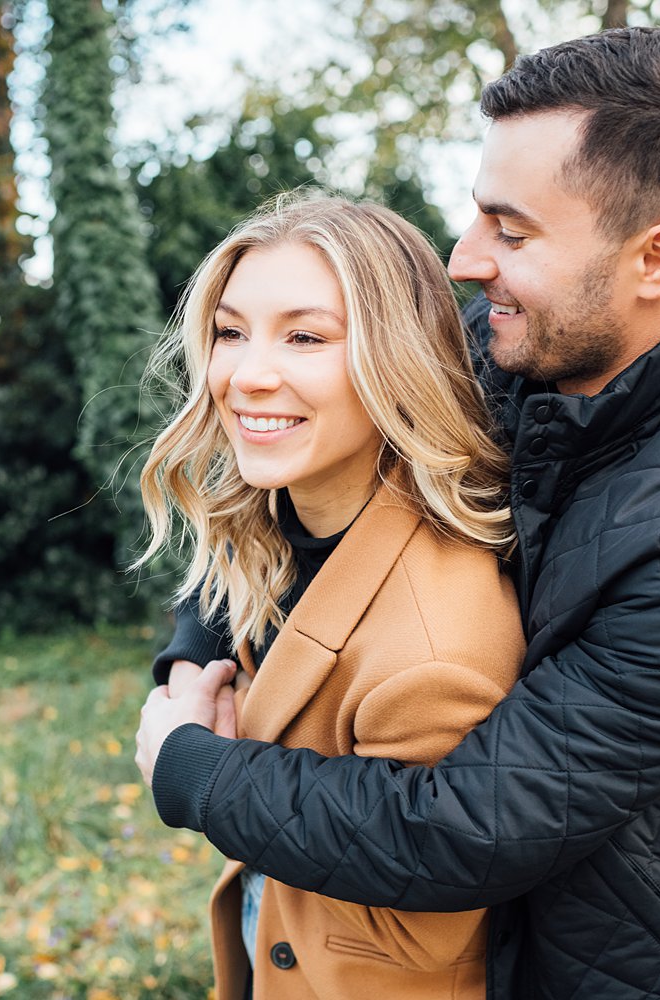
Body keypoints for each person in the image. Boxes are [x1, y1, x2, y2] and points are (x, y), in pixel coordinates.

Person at [136, 26, 660, 1000]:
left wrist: (189, 765)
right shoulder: (511, 335)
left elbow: (460, 827)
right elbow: (290, 481)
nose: (463, 259)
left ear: (657, 259)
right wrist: (196, 656)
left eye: (511, 229)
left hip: (605, 963)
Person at [134, 194, 527, 998]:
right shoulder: (295, 505)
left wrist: (197, 768)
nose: (247, 374)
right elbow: (230, 571)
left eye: (305, 337)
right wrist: (189, 669)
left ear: (398, 358)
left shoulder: (436, 647)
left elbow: (427, 908)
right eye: (230, 331)